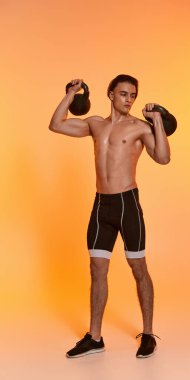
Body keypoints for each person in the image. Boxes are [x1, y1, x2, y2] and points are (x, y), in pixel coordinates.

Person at [49, 74, 171, 358]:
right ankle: (95, 337)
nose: (129, 99)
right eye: (124, 94)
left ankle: (149, 334)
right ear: (110, 94)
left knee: (138, 268)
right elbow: (56, 125)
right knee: (97, 269)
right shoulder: (95, 124)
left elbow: (163, 158)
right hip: (101, 205)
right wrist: (72, 94)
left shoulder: (140, 127)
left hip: (127, 203)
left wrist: (157, 120)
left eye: (133, 95)